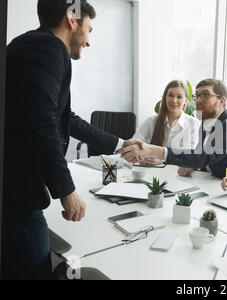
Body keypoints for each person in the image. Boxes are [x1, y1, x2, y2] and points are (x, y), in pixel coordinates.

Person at [2, 0, 140, 280]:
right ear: (71, 19)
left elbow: (66, 117)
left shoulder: (26, 44)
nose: (89, 41)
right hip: (18, 195)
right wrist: (66, 191)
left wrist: (118, 143)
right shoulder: (49, 49)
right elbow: (43, 125)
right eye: (90, 29)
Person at [119, 79, 227, 180]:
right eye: (197, 95)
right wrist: (191, 165)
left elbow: (202, 157)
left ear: (221, 101)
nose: (199, 100)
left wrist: (153, 150)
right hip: (213, 182)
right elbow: (202, 157)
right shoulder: (206, 123)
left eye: (205, 95)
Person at [133, 80, 200, 165]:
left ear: (186, 101)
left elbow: (188, 157)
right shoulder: (152, 121)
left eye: (179, 97)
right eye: (170, 95)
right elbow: (133, 146)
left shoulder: (193, 124)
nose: (174, 100)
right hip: (149, 173)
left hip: (177, 175)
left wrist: (161, 160)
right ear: (165, 97)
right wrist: (141, 158)